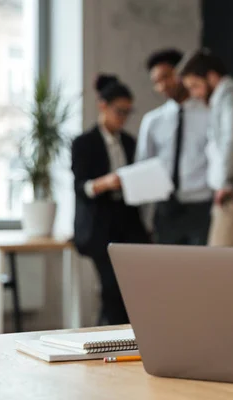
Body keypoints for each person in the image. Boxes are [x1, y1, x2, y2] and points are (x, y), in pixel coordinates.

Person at [72, 75, 149, 325]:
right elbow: (81, 187)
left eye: (128, 112)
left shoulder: (128, 142)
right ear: (102, 106)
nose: (124, 117)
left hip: (128, 221)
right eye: (119, 111)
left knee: (136, 288)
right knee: (111, 289)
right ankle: (107, 338)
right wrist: (106, 182)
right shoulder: (84, 143)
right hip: (99, 225)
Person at [180, 50, 233, 247]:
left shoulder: (231, 95)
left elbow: (232, 141)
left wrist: (224, 184)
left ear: (211, 76)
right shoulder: (226, 96)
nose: (195, 94)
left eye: (195, 86)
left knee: (218, 262)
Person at [136, 49, 212, 245]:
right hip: (166, 209)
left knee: (200, 270)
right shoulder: (152, 121)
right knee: (166, 272)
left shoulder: (210, 115)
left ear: (182, 74)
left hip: (201, 206)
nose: (162, 86)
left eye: (166, 77)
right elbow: (143, 167)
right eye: (156, 82)